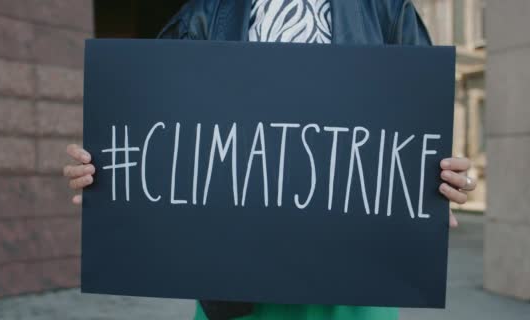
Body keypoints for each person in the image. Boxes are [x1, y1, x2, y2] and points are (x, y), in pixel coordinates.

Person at [64, 0, 477, 319]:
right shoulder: (206, 13)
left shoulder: (386, 8)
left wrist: (443, 185)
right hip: (234, 290)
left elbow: (418, 129)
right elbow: (155, 128)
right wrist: (107, 178)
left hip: (353, 292)